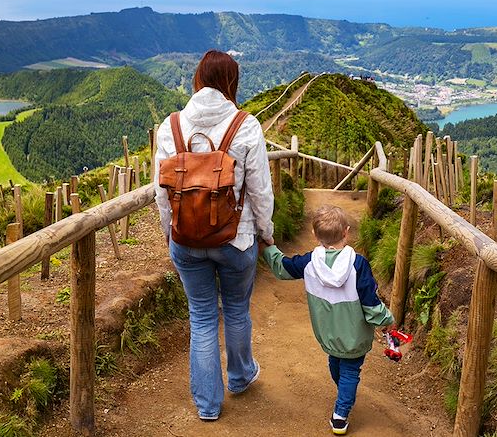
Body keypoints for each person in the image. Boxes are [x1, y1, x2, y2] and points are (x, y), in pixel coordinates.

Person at [154, 50, 275, 421]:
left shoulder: (170, 127)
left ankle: (207, 405)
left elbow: (161, 194)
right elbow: (260, 191)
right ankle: (239, 377)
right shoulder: (246, 126)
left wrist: (169, 235)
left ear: (197, 79)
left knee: (202, 317)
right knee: (236, 310)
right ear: (231, 83)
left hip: (186, 241)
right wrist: (265, 234)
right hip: (235, 240)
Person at [261, 204, 394, 436]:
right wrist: (386, 320)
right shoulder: (358, 264)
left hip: (328, 333)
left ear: (314, 235)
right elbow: (370, 302)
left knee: (337, 366)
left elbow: (284, 268)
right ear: (346, 232)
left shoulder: (310, 262)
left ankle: (340, 414)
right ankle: (345, 398)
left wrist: (269, 249)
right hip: (354, 336)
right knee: (348, 371)